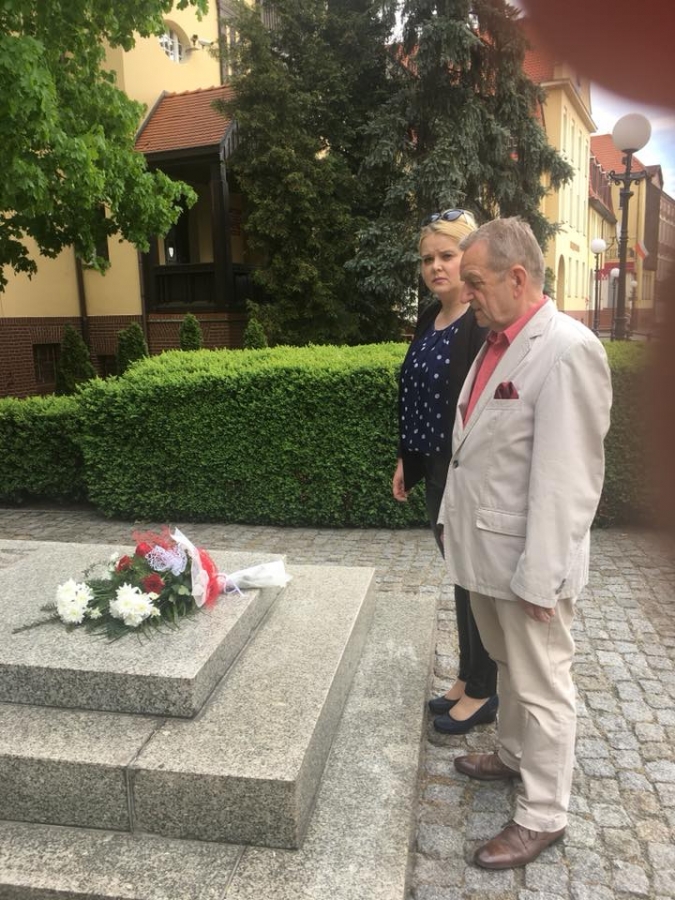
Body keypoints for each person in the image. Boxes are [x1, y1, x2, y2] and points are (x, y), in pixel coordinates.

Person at [439, 217, 612, 868]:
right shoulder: (495, 342)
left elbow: (568, 481)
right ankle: (512, 755)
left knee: (542, 683)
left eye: (475, 282)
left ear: (517, 278)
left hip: (527, 562)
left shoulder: (566, 350)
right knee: (508, 665)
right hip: (488, 553)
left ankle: (543, 814)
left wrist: (542, 577)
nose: (466, 294)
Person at [393, 208, 498, 735]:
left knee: (475, 579)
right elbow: (417, 395)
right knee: (460, 575)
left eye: (447, 256)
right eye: (427, 259)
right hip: (434, 467)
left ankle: (484, 690)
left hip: (467, 474)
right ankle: (467, 676)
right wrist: (405, 457)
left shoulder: (478, 324)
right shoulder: (430, 319)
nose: (435, 266)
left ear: (468, 258)